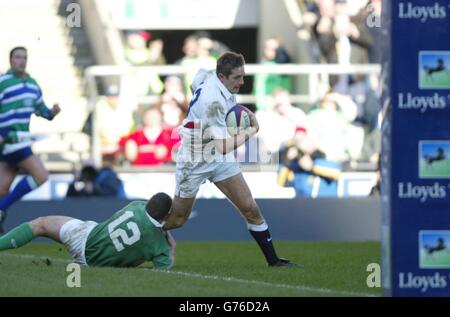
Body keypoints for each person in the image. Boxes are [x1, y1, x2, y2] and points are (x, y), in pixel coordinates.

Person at [164, 51, 296, 267]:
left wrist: (199, 119)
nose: (242, 82)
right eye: (237, 78)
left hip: (214, 153)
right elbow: (224, 146)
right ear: (222, 77)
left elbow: (194, 84)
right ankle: (148, 232)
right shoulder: (213, 101)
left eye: (243, 76)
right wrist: (251, 131)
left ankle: (274, 262)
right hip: (194, 157)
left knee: (250, 207)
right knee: (178, 219)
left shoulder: (207, 75)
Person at [0, 192, 176, 269]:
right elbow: (164, 268)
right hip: (93, 263)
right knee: (137, 255)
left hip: (83, 237)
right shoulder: (158, 246)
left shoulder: (135, 205)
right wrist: (171, 248)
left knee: (40, 224)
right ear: (166, 215)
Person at [0, 47, 61, 233]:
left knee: (2, 189)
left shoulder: (33, 85)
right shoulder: (3, 82)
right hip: (9, 140)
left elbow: (41, 111)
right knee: (41, 175)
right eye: (18, 57)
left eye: (24, 57)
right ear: (11, 60)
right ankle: (2, 208)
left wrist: (52, 112)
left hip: (20, 141)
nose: (21, 60)